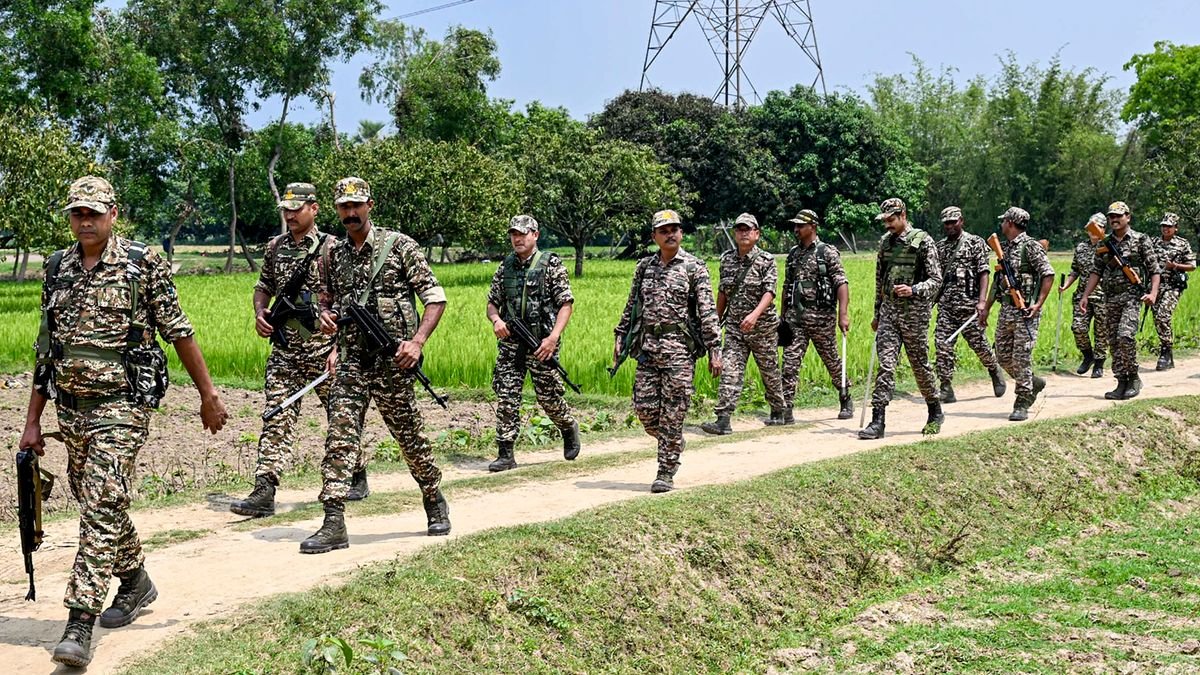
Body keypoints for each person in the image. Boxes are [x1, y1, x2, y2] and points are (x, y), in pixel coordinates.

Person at [20, 176, 228, 667]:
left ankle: (79, 620)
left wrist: (208, 394)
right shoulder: (57, 267)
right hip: (71, 406)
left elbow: (179, 332)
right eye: (77, 213)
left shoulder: (142, 264)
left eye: (94, 212)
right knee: (98, 500)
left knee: (102, 500)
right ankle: (135, 581)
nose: (85, 221)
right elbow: (46, 349)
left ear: (114, 215)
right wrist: (33, 421)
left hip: (124, 406)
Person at [308, 177, 451, 554]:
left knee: (410, 439)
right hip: (352, 362)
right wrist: (327, 322)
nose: (350, 213)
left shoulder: (400, 247)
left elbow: (435, 299)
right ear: (336, 209)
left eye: (356, 206)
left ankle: (433, 498)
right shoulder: (333, 255)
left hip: (392, 363)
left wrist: (416, 343)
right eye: (343, 207)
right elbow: (327, 303)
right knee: (340, 436)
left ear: (370, 205)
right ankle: (333, 520)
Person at [229, 183, 368, 518]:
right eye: (286, 210)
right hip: (285, 352)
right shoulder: (275, 247)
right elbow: (263, 287)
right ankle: (265, 488)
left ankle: (357, 473)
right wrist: (260, 313)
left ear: (314, 208)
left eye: (296, 209)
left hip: (325, 353)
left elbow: (349, 299)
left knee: (342, 420)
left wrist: (340, 347)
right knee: (277, 415)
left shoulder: (333, 249)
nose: (290, 215)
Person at [614, 209, 721, 492]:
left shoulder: (694, 267)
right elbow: (632, 305)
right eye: (664, 231)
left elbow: (708, 311)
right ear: (654, 237)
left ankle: (665, 471)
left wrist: (714, 349)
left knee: (673, 413)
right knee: (646, 411)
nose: (670, 234)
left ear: (681, 233)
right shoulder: (645, 267)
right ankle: (673, 441)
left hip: (679, 353)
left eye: (674, 229)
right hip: (648, 350)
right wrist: (620, 335)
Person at [485, 215, 580, 470]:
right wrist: (496, 321)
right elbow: (492, 303)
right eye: (514, 234)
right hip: (512, 345)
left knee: (548, 396)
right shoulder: (505, 267)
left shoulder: (551, 264)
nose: (517, 238)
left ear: (535, 235)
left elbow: (566, 304)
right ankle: (505, 453)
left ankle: (568, 426)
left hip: (541, 343)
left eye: (523, 233)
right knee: (506, 394)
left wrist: (553, 338)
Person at [859, 198, 943, 440]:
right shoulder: (885, 244)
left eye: (892, 220)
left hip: (914, 315)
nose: (888, 225)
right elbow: (879, 280)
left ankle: (935, 410)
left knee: (920, 366)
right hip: (889, 313)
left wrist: (914, 290)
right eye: (885, 221)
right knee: (885, 365)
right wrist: (877, 312)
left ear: (903, 215)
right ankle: (878, 421)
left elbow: (936, 280)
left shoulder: (923, 241)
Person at [700, 212, 785, 433]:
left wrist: (755, 315)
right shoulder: (726, 259)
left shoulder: (766, 261)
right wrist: (715, 322)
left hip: (763, 328)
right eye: (739, 229)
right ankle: (723, 419)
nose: (743, 233)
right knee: (730, 371)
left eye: (748, 229)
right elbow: (723, 292)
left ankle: (778, 410)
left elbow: (770, 292)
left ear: (757, 234)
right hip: (736, 329)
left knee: (769, 371)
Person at [1081, 201, 1162, 400]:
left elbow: (1154, 270)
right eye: (1111, 216)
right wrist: (1085, 295)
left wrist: (1152, 293)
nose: (1114, 219)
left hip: (1133, 296)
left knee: (1125, 336)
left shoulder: (1140, 240)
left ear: (1128, 217)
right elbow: (1096, 271)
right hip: (1111, 297)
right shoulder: (1103, 242)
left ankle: (1134, 377)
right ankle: (1121, 381)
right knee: (1114, 342)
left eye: (1118, 216)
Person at [979, 207, 1054, 421]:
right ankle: (1032, 382)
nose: (1001, 225)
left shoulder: (1030, 247)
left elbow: (1048, 274)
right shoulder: (1004, 248)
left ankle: (1022, 401)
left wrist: (1038, 304)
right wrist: (987, 307)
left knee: (1021, 358)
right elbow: (997, 281)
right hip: (1007, 310)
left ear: (1010, 223)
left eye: (1004, 221)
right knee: (1002, 356)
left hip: (1025, 312)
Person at [778, 209, 852, 423]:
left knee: (832, 361)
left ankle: (845, 397)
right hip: (796, 319)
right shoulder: (793, 254)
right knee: (790, 363)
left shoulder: (826, 252)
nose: (796, 230)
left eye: (800, 226)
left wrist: (843, 314)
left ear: (813, 226)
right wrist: (783, 316)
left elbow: (841, 282)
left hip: (821, 319)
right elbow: (787, 285)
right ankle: (787, 407)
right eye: (795, 226)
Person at [933, 206, 1005, 402]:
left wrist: (982, 302)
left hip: (969, 306)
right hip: (947, 306)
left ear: (961, 221)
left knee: (979, 344)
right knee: (943, 344)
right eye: (946, 223)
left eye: (953, 222)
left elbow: (984, 272)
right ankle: (946, 386)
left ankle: (993, 369)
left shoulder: (974, 242)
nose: (949, 226)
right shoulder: (939, 247)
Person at [1060, 213, 1109, 378]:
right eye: (1090, 228)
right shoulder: (1081, 247)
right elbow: (1075, 270)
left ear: (1104, 228)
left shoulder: (1109, 246)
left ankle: (1100, 363)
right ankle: (1088, 356)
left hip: (1103, 296)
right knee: (1078, 328)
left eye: (1097, 228)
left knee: (1101, 332)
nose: (1093, 231)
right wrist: (1066, 285)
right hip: (1083, 296)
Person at [1151, 212, 1195, 370]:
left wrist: (1175, 266)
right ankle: (1167, 350)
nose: (1165, 229)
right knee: (1157, 319)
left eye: (1169, 226)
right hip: (1156, 287)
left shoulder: (1182, 244)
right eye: (1163, 226)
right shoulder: (1153, 242)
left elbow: (1192, 265)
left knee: (1163, 315)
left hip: (1173, 286)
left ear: (1175, 228)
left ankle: (1165, 351)